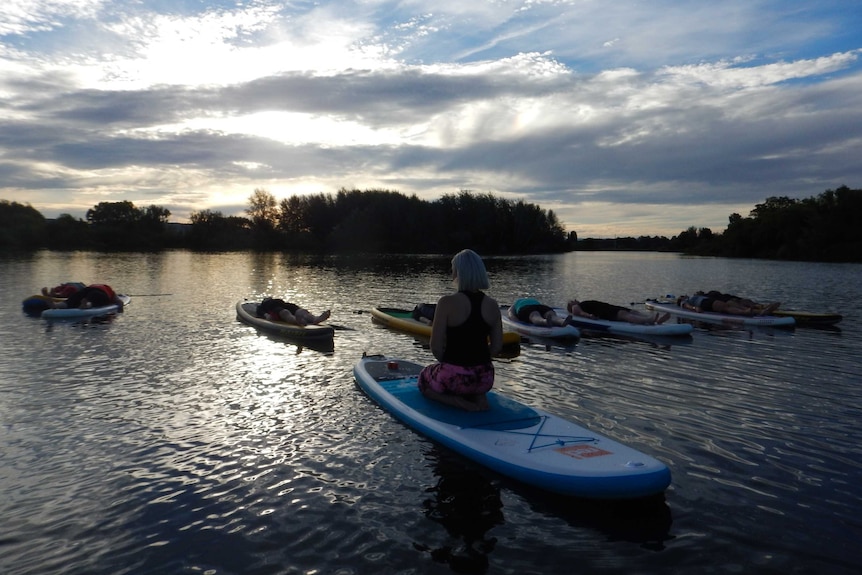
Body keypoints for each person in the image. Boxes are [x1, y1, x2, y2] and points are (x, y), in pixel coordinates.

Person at [418, 249, 503, 412]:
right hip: (484, 378)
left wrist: (452, 365)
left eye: (453, 270)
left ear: (458, 273)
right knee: (470, 378)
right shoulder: (492, 305)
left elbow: (435, 346)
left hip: (453, 377)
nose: (451, 274)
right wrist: (476, 362)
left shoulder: (446, 302)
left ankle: (461, 403)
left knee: (423, 379)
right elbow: (497, 346)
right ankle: (478, 396)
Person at [567, 299, 671, 325]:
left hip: (608, 307)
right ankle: (649, 320)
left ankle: (654, 319)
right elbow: (579, 313)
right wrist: (589, 316)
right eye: (572, 301)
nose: (575, 300)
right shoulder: (575, 307)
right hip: (604, 311)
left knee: (632, 311)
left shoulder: (581, 304)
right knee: (624, 315)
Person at [256, 298, 330, 326]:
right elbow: (265, 315)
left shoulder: (262, 306)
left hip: (277, 308)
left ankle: (297, 320)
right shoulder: (262, 307)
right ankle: (315, 319)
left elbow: (266, 316)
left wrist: (267, 316)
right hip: (286, 305)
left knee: (285, 313)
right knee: (299, 311)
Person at [677, 294, 767, 316]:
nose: (684, 295)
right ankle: (744, 312)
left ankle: (760, 311)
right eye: (682, 296)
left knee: (730, 303)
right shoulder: (684, 302)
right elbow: (687, 306)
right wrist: (695, 308)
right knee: (726, 307)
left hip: (710, 300)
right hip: (705, 304)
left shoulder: (694, 296)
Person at [696, 290, 780, 314]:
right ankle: (759, 310)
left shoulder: (708, 294)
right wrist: (695, 308)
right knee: (731, 303)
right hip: (719, 300)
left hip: (721, 297)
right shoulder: (693, 298)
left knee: (737, 300)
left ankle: (760, 306)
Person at [51, 284, 123, 310]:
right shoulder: (111, 292)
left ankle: (57, 305)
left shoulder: (95, 285)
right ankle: (86, 304)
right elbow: (119, 302)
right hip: (99, 293)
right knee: (96, 299)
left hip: (87, 289)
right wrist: (120, 308)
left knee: (75, 297)